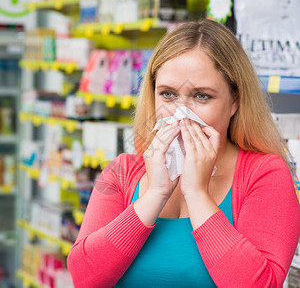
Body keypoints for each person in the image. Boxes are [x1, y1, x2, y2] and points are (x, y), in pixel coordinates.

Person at [67, 20, 300, 287]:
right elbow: (84, 278)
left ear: (234, 100)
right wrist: (154, 194)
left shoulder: (264, 174)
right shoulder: (122, 171)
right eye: (167, 94)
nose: (181, 113)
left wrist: (197, 194)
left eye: (201, 96)